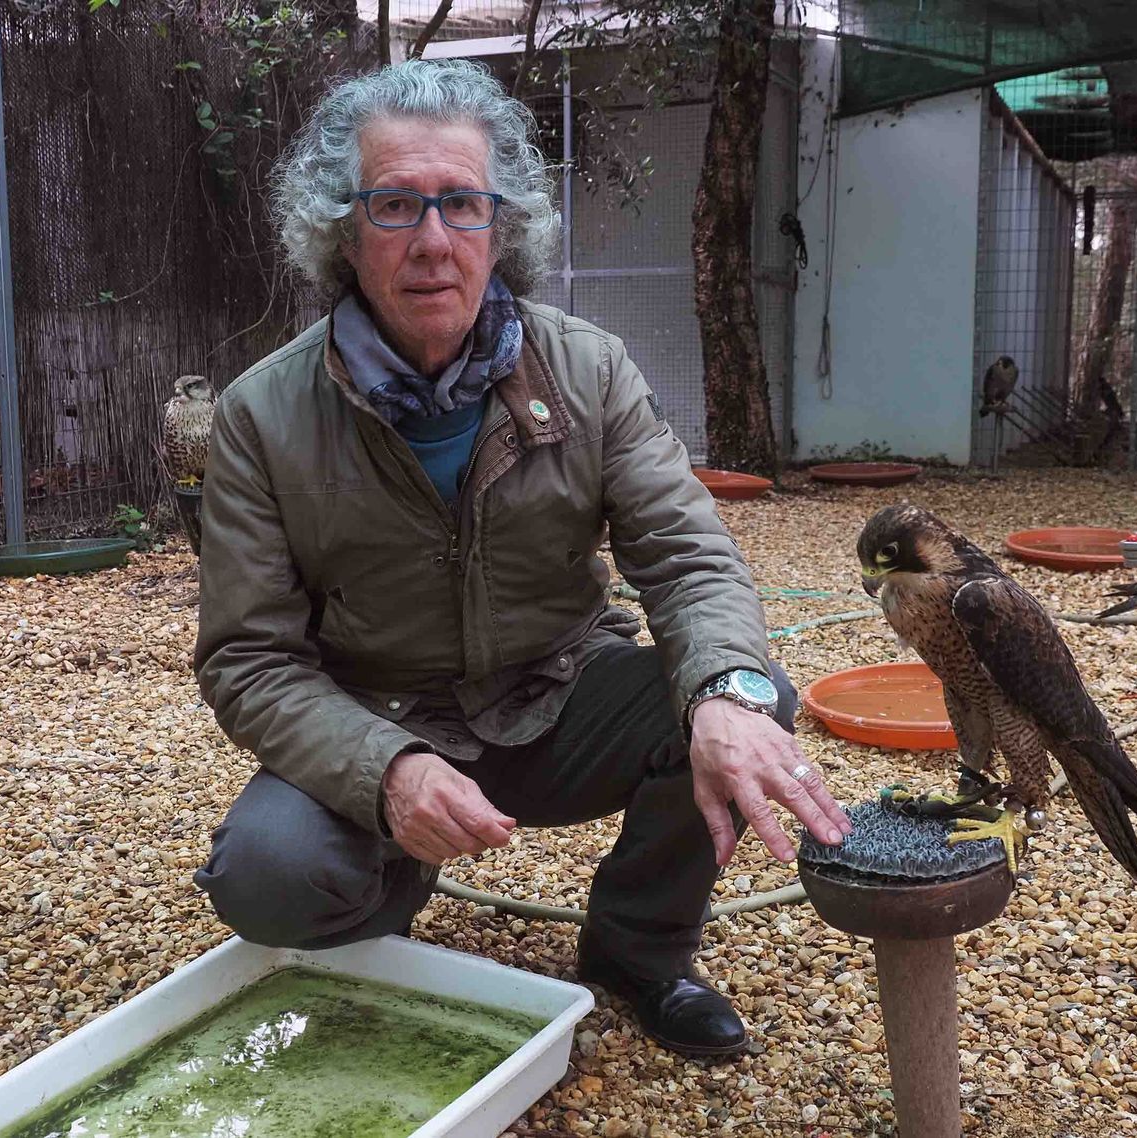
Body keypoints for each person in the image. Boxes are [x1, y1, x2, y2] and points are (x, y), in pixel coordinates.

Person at [192, 58, 850, 1058]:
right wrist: (385, 773)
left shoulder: (589, 369)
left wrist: (725, 688)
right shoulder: (263, 415)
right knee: (267, 878)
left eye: (462, 203)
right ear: (342, 232)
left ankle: (638, 950)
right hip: (381, 712)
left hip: (561, 694)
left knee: (743, 699)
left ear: (501, 227)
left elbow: (687, 558)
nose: (432, 240)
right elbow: (248, 658)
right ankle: (388, 885)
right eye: (393, 205)